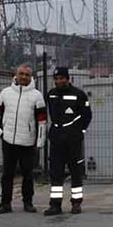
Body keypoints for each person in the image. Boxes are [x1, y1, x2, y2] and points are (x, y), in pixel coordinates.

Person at [0, 64, 47, 215]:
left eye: (27, 75)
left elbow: (42, 120)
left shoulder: (37, 95)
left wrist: (40, 141)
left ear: (31, 77)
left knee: (27, 174)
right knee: (7, 174)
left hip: (28, 142)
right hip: (8, 140)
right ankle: (5, 204)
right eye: (21, 74)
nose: (23, 77)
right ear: (15, 75)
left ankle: (28, 203)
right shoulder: (5, 93)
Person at [43, 67, 93, 215]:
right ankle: (55, 205)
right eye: (56, 78)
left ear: (68, 78)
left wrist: (80, 131)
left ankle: (76, 203)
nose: (59, 81)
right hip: (57, 138)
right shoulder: (51, 94)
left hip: (73, 140)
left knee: (75, 171)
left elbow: (87, 116)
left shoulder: (79, 94)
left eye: (62, 78)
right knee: (55, 173)